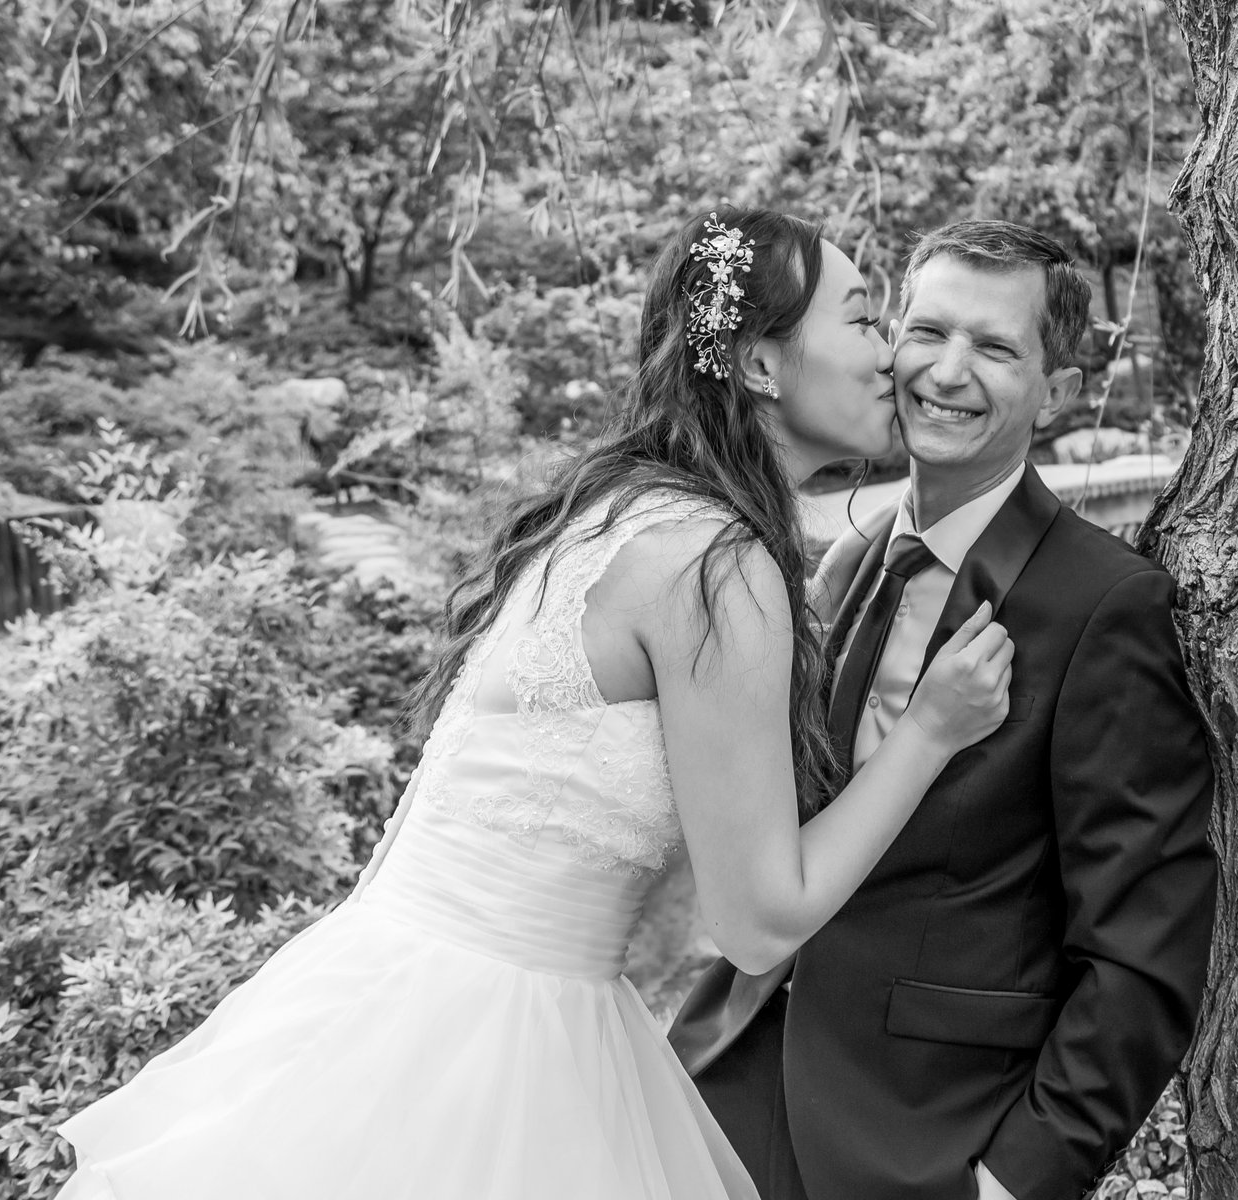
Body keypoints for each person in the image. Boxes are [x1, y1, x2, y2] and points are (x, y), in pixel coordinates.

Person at [52, 208, 1016, 1200]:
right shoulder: (712, 564)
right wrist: (930, 730)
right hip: (499, 1046)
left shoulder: (615, 511)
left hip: (393, 999)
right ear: (762, 364)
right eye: (862, 320)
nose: (893, 355)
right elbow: (761, 923)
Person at [670, 220, 1218, 1200]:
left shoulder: (1105, 606)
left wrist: (1010, 1182)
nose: (947, 371)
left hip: (921, 1145)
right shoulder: (848, 560)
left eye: (996, 348)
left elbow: (1142, 954)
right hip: (728, 1089)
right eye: (925, 331)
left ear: (1057, 390)